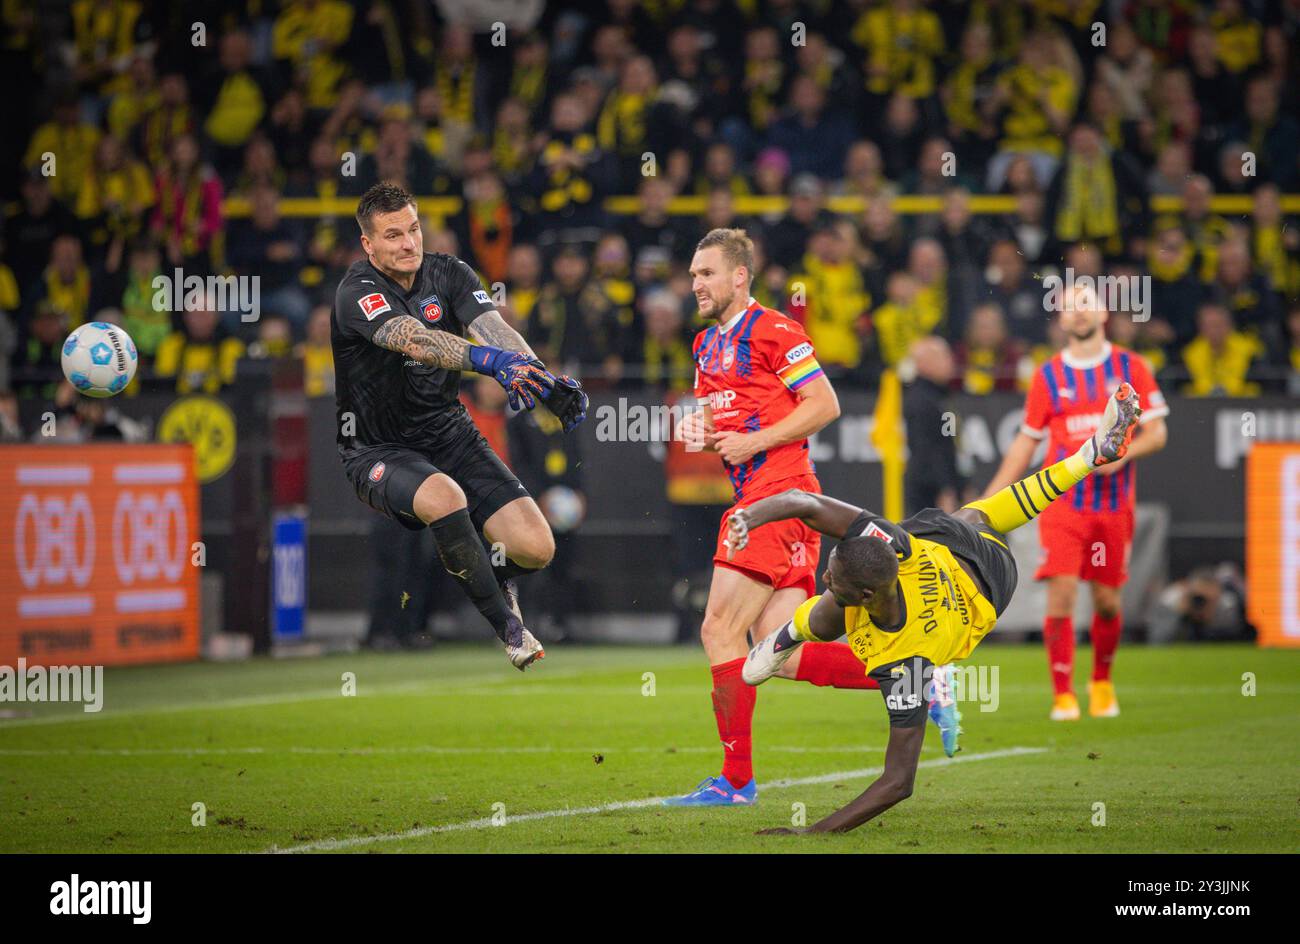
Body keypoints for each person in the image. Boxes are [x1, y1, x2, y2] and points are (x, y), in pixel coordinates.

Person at [737, 380, 1144, 834]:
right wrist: (749, 516)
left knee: (855, 592)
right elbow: (801, 501)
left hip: (988, 583)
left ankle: (929, 673)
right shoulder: (891, 545)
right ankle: (1088, 456)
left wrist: (812, 832)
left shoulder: (904, 667)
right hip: (936, 550)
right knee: (973, 516)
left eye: (833, 575)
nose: (824, 577)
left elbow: (897, 783)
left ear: (869, 599)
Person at [664, 227, 929, 809]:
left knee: (717, 630)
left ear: (739, 276)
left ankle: (736, 783)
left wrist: (748, 440)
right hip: (771, 498)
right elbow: (733, 433)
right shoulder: (705, 347)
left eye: (706, 272)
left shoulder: (776, 329)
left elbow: (824, 405)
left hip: (779, 494)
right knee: (782, 653)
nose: (695, 284)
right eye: (691, 274)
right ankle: (919, 677)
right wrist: (708, 438)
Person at [331, 182, 588, 670]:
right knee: (444, 496)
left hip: (448, 431)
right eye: (392, 235)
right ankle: (508, 628)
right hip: (377, 448)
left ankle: (500, 576)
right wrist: (494, 364)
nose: (408, 243)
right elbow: (418, 342)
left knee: (536, 547)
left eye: (412, 229)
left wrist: (541, 379)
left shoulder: (449, 272)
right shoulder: (356, 292)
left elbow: (495, 328)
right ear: (368, 245)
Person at [983, 285, 1169, 720]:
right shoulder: (1047, 375)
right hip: (1063, 504)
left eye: (1085, 304)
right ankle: (1063, 694)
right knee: (1061, 595)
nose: (1078, 314)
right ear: (1060, 321)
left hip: (1112, 505)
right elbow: (1025, 445)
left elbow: (1157, 434)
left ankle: (1101, 682)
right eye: (1069, 308)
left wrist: (1120, 455)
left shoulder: (1131, 366)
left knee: (1106, 601)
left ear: (1103, 312)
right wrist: (988, 501)